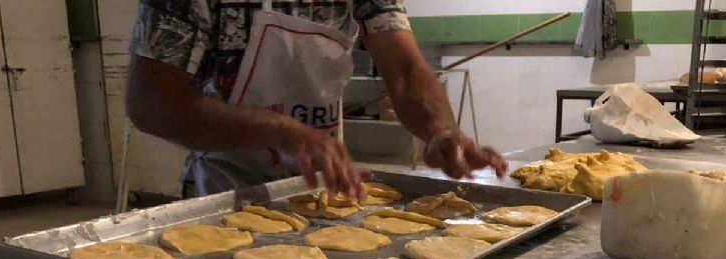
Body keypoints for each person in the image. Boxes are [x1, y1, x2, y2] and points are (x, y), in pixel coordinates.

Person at [125, 1, 507, 200]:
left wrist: (440, 130)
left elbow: (406, 72)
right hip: (223, 189)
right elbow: (151, 101)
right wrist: (279, 129)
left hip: (328, 190)